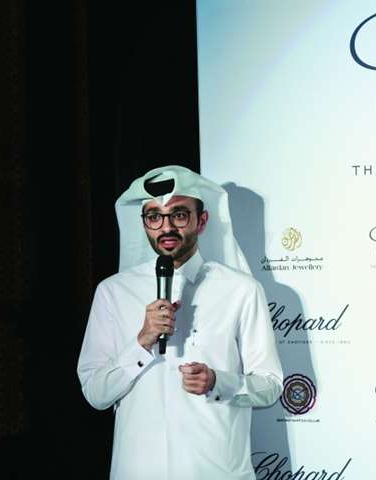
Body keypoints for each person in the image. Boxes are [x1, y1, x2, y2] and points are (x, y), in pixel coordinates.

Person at [78, 165, 283, 479]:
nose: (166, 227)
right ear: (144, 224)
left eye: (179, 215)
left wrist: (217, 382)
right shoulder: (112, 292)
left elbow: (270, 385)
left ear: (202, 221)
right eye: (154, 217)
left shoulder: (241, 290)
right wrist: (141, 342)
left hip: (216, 471)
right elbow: (96, 394)